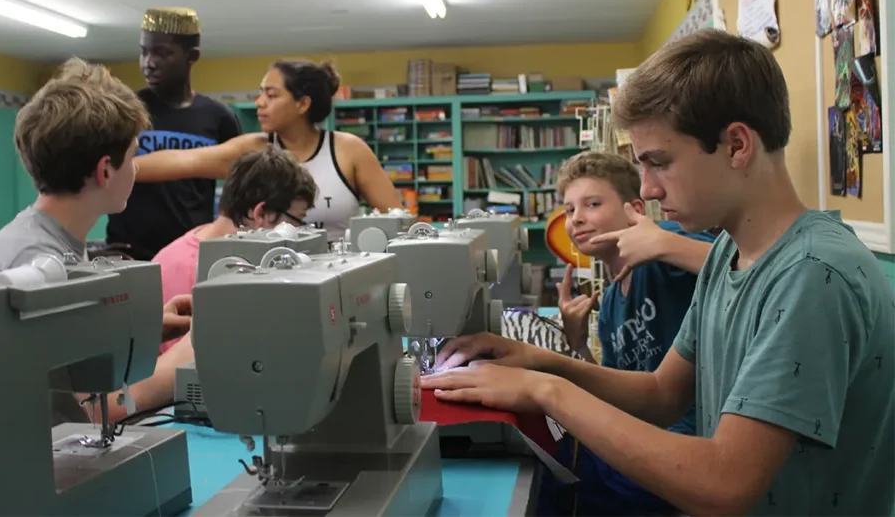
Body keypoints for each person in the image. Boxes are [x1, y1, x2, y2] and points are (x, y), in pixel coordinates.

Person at [421, 30, 895, 516]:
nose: (646, 188)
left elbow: (724, 484)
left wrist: (545, 390)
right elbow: (663, 393)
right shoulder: (727, 252)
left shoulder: (812, 275)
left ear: (736, 145)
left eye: (659, 163)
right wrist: (539, 361)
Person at [0, 57, 196, 426]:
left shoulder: (49, 239)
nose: (137, 167)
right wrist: (187, 358)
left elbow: (64, 357)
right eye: (134, 155)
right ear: (105, 170)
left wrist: (143, 328)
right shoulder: (39, 264)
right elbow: (99, 408)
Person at [550, 151, 713, 516]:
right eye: (569, 210)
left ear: (634, 209)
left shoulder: (663, 243)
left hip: (690, 441)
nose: (577, 219)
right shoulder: (608, 304)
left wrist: (666, 245)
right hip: (645, 437)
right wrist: (577, 344)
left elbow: (751, 268)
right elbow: (617, 390)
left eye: (592, 204)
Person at [132, 59, 401, 243]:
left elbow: (398, 221)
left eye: (271, 95)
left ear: (302, 104)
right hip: (271, 277)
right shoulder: (253, 151)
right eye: (260, 94)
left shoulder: (348, 150)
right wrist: (113, 170)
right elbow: (184, 162)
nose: (260, 103)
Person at [105, 7, 242, 261]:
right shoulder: (124, 110)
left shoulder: (219, 118)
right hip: (128, 257)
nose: (149, 62)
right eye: (144, 51)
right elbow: (97, 174)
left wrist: (223, 237)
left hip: (191, 255)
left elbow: (239, 189)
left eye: (162, 52)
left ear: (192, 56)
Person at [152, 146, 317, 351]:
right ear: (261, 213)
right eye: (297, 221)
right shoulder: (210, 271)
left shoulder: (172, 255)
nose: (298, 232)